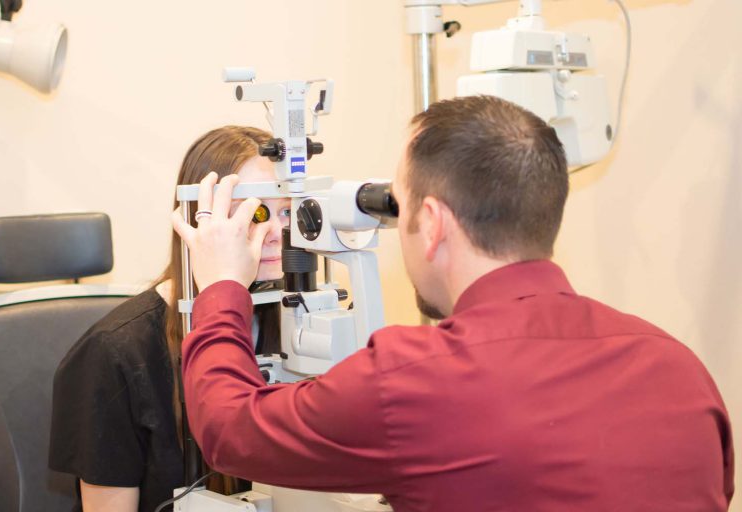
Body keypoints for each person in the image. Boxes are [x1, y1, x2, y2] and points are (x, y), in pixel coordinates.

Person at [173, 96, 735, 511]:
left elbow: (228, 430)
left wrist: (223, 284)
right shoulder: (680, 368)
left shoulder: (416, 379)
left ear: (433, 223)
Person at [49, 125, 291, 512]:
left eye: (288, 212)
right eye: (256, 212)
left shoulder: (295, 325)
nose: (277, 231)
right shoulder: (116, 352)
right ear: (201, 219)